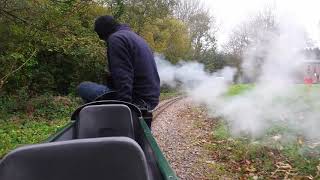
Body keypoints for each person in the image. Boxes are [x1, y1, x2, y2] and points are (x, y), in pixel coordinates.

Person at [77, 15, 160, 110]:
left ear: (103, 32)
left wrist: (124, 107)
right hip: (150, 98)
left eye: (101, 37)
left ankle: (104, 119)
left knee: (83, 87)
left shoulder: (116, 39)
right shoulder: (133, 37)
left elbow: (123, 75)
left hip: (137, 100)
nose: (103, 40)